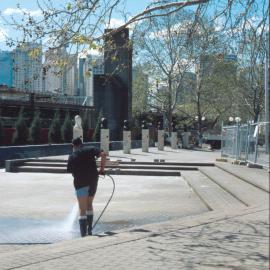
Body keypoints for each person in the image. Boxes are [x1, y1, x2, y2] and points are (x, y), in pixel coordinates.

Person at [67, 137, 106, 237]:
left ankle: (83, 235)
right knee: (89, 204)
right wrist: (101, 169)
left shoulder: (72, 156)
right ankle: (90, 230)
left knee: (82, 209)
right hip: (93, 180)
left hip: (80, 182)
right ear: (82, 144)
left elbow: (71, 172)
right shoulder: (90, 149)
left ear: (73, 146)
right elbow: (103, 154)